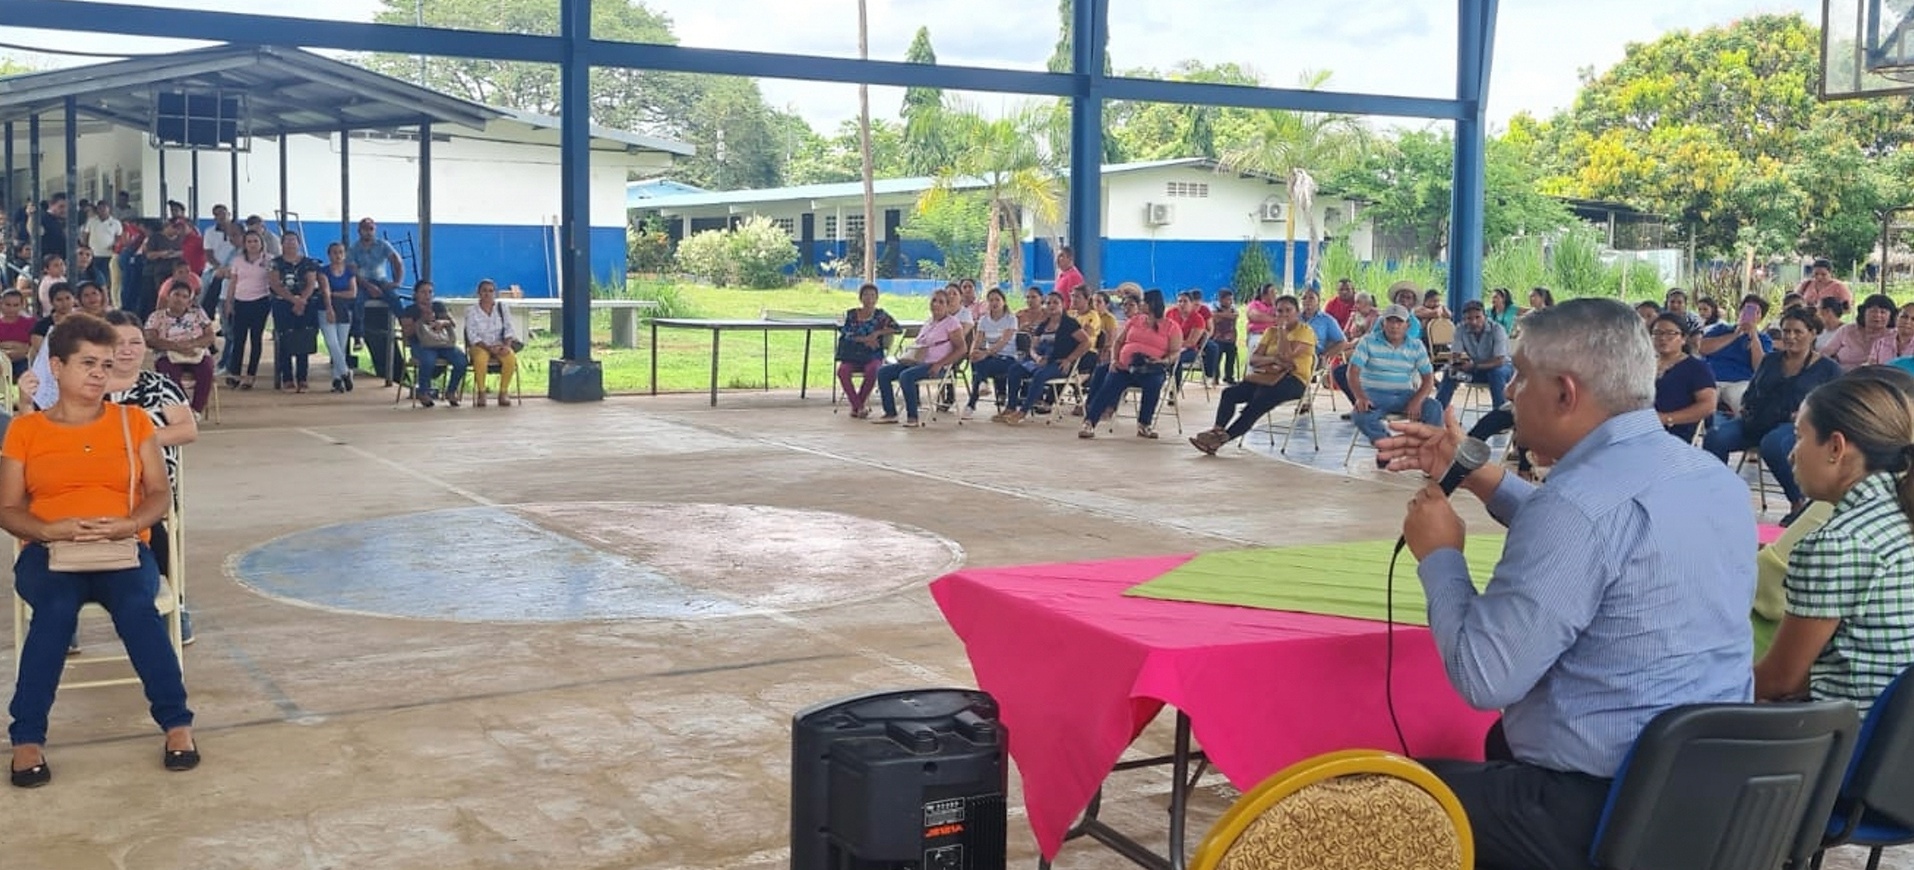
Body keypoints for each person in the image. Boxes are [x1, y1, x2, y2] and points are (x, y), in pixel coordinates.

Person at [1381, 298, 1755, 870]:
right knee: (1495, 751)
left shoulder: (1575, 507)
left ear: (1564, 393)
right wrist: (1479, 475)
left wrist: (1441, 556)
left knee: (1377, 803)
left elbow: (1484, 676)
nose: (1510, 393)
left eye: (1520, 378)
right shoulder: (1708, 476)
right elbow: (1601, 530)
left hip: (1601, 806)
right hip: (1711, 791)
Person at [2, 313, 198, 789]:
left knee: (136, 607)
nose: (98, 374)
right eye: (87, 363)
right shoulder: (26, 430)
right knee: (55, 610)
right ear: (57, 366)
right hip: (49, 553)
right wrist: (49, 529)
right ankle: (27, 737)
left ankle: (177, 723)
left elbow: (159, 494)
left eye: (106, 365)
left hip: (122, 548)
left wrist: (129, 524)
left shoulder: (132, 422)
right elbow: (7, 508)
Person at [1754, 376, 1914, 710]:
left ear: (1836, 448)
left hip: (1849, 733)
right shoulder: (1899, 512)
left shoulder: (1838, 542)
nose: (1791, 455)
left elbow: (1780, 681)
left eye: (1799, 437)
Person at [1702, 306, 1842, 522]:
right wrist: (1745, 406)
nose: (1790, 337)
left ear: (1813, 333)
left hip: (1796, 427)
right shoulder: (1770, 361)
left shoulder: (1828, 369)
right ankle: (1717, 497)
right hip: (1758, 420)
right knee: (1715, 436)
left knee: (1773, 444)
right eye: (1786, 331)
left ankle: (1798, 502)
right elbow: (1751, 390)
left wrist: (1808, 415)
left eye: (1797, 332)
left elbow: (1836, 406)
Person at [1189, 294, 1315, 454]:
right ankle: (1217, 430)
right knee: (1229, 394)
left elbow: (1287, 357)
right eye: (1279, 311)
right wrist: (1273, 359)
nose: (1283, 315)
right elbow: (1254, 359)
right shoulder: (1270, 332)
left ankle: (1221, 440)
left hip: (1294, 380)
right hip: (1267, 377)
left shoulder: (1305, 332)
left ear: (1297, 312)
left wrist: (1282, 331)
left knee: (1259, 400)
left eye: (1288, 310)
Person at [1080, 288, 1180, 440]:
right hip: (1125, 367)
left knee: (1154, 384)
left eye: (1144, 302)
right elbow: (1118, 342)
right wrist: (1115, 360)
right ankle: (1090, 422)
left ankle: (1144, 424)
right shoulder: (1135, 320)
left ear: (1152, 304)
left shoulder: (1171, 327)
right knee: (1110, 382)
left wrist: (1163, 361)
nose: (1141, 305)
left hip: (1151, 368)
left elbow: (1175, 352)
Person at [1347, 305, 1442, 463]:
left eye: (1399, 322)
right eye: (1390, 321)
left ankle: (1431, 453)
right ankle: (1386, 445)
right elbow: (1352, 372)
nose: (1394, 326)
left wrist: (1417, 400)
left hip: (1405, 394)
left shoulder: (1416, 346)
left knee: (1434, 408)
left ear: (1407, 325)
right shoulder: (1368, 341)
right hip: (1374, 394)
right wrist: (1360, 397)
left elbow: (1428, 378)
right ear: (1383, 323)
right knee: (1360, 415)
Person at [872, 289, 965, 428]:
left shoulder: (952, 323)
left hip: (936, 366)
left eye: (941, 302)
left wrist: (940, 364)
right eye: (934, 301)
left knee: (906, 376)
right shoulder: (929, 322)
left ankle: (912, 416)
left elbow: (962, 349)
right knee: (883, 372)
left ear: (947, 305)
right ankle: (890, 413)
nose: (936, 304)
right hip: (917, 361)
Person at [997, 291, 1088, 425]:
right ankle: (1010, 407)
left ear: (1062, 305)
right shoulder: (1043, 325)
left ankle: (1023, 412)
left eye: (1055, 302)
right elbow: (1032, 347)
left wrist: (1069, 359)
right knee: (1014, 369)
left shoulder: (1069, 324)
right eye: (1048, 303)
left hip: (1059, 363)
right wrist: (1037, 358)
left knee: (1039, 375)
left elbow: (1086, 342)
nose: (1052, 306)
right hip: (1039, 361)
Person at [144, 283, 217, 415]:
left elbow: (210, 336)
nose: (180, 299)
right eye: (176, 295)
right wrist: (176, 347)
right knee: (168, 374)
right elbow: (150, 339)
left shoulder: (198, 314)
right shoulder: (156, 316)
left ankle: (196, 410)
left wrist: (192, 344)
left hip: (195, 352)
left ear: (189, 301)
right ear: (168, 296)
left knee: (206, 369)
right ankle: (184, 408)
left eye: (184, 296)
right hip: (168, 354)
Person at [1696, 294, 1772, 413]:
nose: (1749, 314)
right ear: (1740, 312)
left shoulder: (1763, 339)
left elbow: (1759, 367)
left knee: (1746, 408)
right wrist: (1736, 334)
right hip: (1712, 379)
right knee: (1699, 407)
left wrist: (1753, 336)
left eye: (1755, 312)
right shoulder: (1721, 329)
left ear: (1760, 318)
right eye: (1746, 310)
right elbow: (1702, 348)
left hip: (1741, 382)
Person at [1649, 312, 1717, 443]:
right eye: (1657, 333)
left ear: (1684, 338)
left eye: (1670, 333)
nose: (1663, 338)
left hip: (1675, 432)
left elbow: (1708, 406)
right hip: (1641, 428)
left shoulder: (1696, 368)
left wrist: (1666, 418)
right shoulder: (1644, 365)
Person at [217, 230, 272, 390]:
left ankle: (250, 375)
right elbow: (233, 282)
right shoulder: (238, 261)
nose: (252, 244)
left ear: (261, 243)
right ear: (245, 244)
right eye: (249, 241)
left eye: (255, 241)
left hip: (260, 302)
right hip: (240, 302)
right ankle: (235, 373)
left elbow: (274, 280)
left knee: (256, 339)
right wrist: (229, 302)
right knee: (239, 339)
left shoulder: (269, 260)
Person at [833, 284, 898, 420]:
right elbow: (844, 332)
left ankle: (857, 407)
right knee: (842, 371)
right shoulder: (851, 314)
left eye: (872, 295)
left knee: (873, 370)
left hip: (873, 355)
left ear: (877, 298)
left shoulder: (881, 315)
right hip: (852, 354)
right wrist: (864, 339)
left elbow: (897, 328)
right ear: (860, 297)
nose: (869, 299)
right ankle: (858, 406)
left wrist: (877, 333)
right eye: (866, 295)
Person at [1435, 300, 1513, 412]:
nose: (1474, 322)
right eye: (1469, 318)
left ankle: (1500, 414)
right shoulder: (1461, 329)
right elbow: (1455, 354)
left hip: (1503, 368)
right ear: (1464, 319)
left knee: (1496, 374)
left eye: (1478, 317)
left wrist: (1474, 366)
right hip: (1478, 369)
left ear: (1485, 317)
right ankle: (1437, 412)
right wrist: (1455, 364)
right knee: (1449, 373)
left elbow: (1500, 360)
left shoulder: (1497, 329)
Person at [400, 280, 468, 408]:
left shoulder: (438, 306)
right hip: (421, 344)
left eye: (430, 292)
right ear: (416, 294)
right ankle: (423, 392)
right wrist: (421, 321)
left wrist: (442, 322)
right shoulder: (409, 310)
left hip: (442, 343)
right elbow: (407, 332)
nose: (427, 295)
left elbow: (452, 323)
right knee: (428, 360)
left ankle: (451, 391)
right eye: (423, 292)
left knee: (461, 360)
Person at [268, 232, 322, 393]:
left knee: (303, 338)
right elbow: (275, 284)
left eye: (293, 240)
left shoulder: (308, 262)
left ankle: (302, 378)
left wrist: (301, 300)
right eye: (287, 240)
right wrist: (293, 300)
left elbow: (311, 283)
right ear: (282, 243)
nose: (291, 243)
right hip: (283, 304)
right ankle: (287, 378)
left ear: (299, 243)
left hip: (305, 304)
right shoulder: (275, 263)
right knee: (285, 338)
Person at [346, 218, 407, 344]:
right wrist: (368, 286)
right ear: (359, 231)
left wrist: (397, 281)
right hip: (362, 283)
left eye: (371, 229)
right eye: (365, 229)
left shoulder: (383, 245)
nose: (368, 232)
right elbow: (353, 272)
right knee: (358, 301)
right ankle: (358, 336)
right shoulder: (353, 249)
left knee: (395, 300)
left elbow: (397, 261)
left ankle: (407, 329)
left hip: (381, 281)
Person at [963, 288, 1020, 419]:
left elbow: (1003, 341)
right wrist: (972, 352)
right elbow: (977, 339)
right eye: (991, 300)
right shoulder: (984, 320)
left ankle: (971, 404)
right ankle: (982, 384)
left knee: (981, 366)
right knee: (977, 359)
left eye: (997, 300)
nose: (994, 303)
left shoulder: (1011, 319)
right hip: (989, 356)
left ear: (1003, 302)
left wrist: (986, 353)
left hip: (1007, 357)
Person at [463, 279, 520, 408]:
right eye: (484, 291)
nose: (487, 294)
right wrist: (488, 348)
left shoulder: (502, 308)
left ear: (495, 293)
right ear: (478, 293)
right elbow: (472, 335)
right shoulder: (471, 311)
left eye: (490, 291)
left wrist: (506, 346)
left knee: (510, 357)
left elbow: (509, 329)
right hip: (480, 345)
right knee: (480, 359)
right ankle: (482, 392)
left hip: (499, 344)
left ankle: (503, 392)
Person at [318, 241, 359, 393]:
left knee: (341, 345)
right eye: (334, 252)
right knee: (331, 342)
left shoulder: (349, 272)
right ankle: (345, 371)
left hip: (344, 309)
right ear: (329, 255)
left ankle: (337, 379)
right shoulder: (323, 271)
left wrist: (334, 294)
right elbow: (325, 291)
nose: (338, 255)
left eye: (341, 252)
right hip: (326, 308)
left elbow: (352, 293)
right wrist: (329, 308)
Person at [1826, 293, 1896, 370]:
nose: (1877, 315)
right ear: (1863, 312)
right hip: (1842, 374)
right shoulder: (1847, 330)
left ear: (1890, 316)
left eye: (1883, 312)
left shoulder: (1893, 336)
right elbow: (1825, 353)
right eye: (1873, 311)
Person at [1210, 289, 1240, 384]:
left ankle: (1229, 376)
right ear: (1221, 300)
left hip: (1230, 339)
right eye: (1228, 299)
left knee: (1231, 358)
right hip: (1217, 338)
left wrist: (1222, 315)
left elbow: (1235, 316)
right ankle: (1215, 376)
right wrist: (1227, 315)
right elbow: (1213, 316)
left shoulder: (1233, 308)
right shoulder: (1214, 307)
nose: (1230, 302)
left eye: (1231, 300)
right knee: (1216, 358)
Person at [0, 289, 31, 378]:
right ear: (1, 304)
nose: (11, 309)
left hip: (24, 360)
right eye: (8, 305)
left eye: (16, 305)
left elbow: (33, 347)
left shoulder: (30, 323)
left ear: (22, 305)